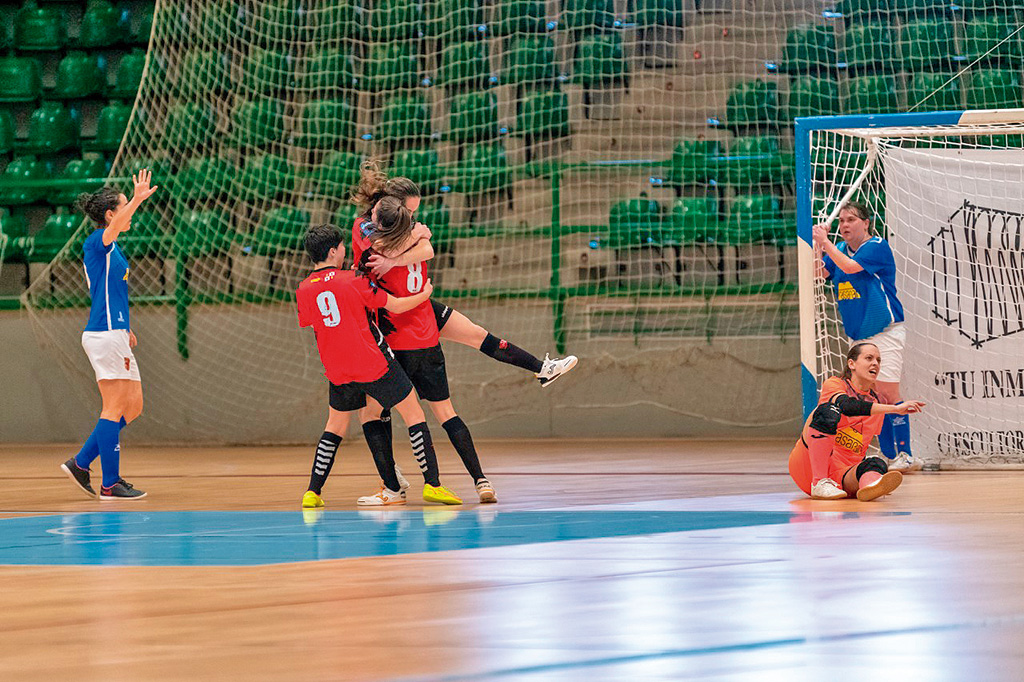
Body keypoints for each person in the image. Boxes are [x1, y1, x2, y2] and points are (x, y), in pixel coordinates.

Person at [350, 159, 578, 387]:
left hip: (415, 303)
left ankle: (542, 368)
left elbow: (427, 251)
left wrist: (395, 261)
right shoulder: (364, 224)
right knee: (379, 395)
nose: (410, 217)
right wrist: (415, 236)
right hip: (385, 310)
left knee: (475, 333)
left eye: (413, 213)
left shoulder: (405, 225)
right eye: (408, 211)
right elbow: (385, 248)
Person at [295, 224, 462, 508]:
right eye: (342, 246)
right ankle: (433, 485)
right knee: (414, 414)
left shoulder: (303, 289)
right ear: (333, 251)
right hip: (373, 362)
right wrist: (425, 294)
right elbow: (394, 306)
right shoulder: (353, 279)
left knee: (335, 426)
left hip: (337, 368)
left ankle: (313, 492)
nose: (345, 250)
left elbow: (313, 322)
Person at [355, 196, 498, 503]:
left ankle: (394, 485)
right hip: (428, 338)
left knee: (372, 413)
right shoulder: (418, 243)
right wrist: (419, 236)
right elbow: (424, 246)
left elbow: (381, 259)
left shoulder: (377, 251)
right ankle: (481, 480)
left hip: (396, 344)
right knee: (447, 413)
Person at [59, 170, 158, 500]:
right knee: (113, 407)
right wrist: (138, 199)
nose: (129, 211)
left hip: (114, 331)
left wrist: (125, 325)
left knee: (133, 406)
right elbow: (114, 228)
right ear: (110, 215)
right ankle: (110, 483)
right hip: (103, 334)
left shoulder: (113, 248)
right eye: (123, 206)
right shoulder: (97, 242)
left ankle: (81, 463)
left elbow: (112, 292)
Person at [813, 201, 916, 471]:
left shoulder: (876, 246)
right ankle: (890, 456)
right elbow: (819, 272)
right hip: (858, 336)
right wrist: (817, 245)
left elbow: (849, 267)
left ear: (866, 223)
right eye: (841, 221)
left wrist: (825, 243)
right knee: (872, 397)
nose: (844, 225)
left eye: (851, 219)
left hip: (885, 332)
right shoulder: (839, 249)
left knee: (888, 393)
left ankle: (905, 454)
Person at [788, 343, 925, 501]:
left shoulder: (876, 402)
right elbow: (847, 406)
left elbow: (864, 444)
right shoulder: (835, 384)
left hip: (842, 476)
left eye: (878, 360)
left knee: (876, 463)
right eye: (869, 358)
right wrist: (895, 408)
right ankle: (819, 482)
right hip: (808, 467)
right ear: (851, 364)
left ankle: (870, 485)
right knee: (827, 411)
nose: (875, 363)